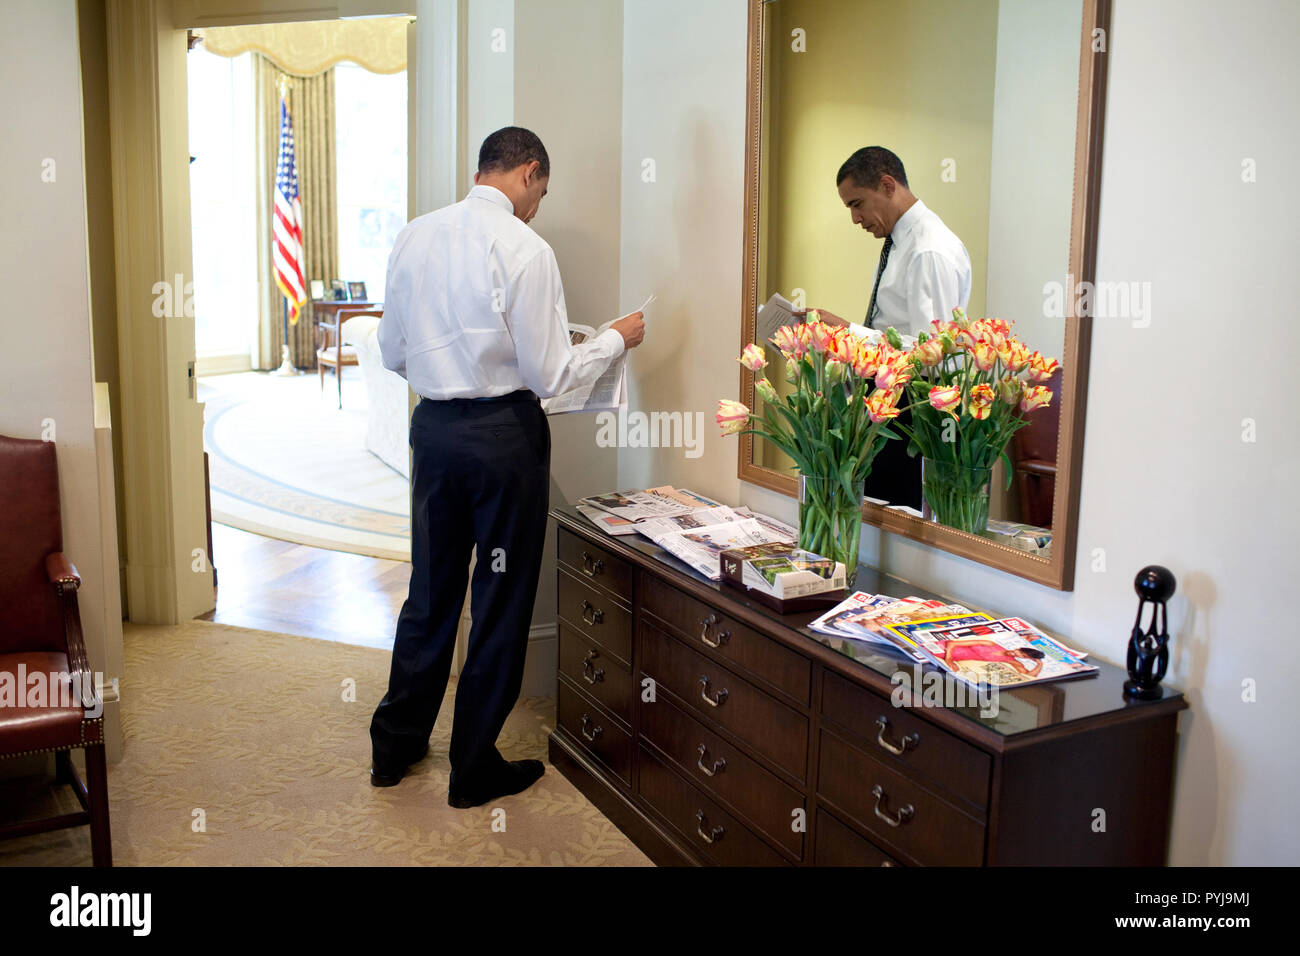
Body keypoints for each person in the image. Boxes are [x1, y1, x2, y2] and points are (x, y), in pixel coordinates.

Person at [369, 126, 646, 808]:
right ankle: (472, 768)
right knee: (499, 600)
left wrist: (447, 373)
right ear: (526, 172)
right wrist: (614, 338)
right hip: (503, 441)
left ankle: (395, 746)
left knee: (430, 592)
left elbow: (392, 353)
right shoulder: (526, 249)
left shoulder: (415, 234)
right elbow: (549, 374)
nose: (537, 207)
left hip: (433, 431)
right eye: (540, 193)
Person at [801, 146, 973, 509]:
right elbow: (899, 329)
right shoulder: (901, 242)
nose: (855, 218)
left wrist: (850, 332)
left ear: (887, 185)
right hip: (889, 403)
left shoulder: (929, 250)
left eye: (857, 204)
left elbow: (933, 356)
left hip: (912, 411)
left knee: (895, 513)